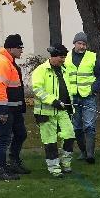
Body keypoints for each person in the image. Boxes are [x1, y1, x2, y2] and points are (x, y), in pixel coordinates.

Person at [0, 33, 29, 181]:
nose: (22, 50)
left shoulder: (9, 62)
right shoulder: (3, 62)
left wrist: (20, 106)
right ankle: (2, 170)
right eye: (19, 47)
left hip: (12, 108)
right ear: (11, 48)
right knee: (4, 139)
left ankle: (13, 162)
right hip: (5, 109)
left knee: (21, 134)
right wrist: (2, 110)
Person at [30, 45, 76, 178]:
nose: (63, 60)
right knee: (50, 141)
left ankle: (66, 164)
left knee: (69, 136)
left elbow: (68, 89)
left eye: (64, 57)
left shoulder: (64, 70)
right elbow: (37, 89)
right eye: (61, 57)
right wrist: (53, 100)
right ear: (53, 56)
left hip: (63, 110)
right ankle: (54, 169)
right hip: (45, 112)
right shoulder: (41, 70)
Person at [64, 31, 100, 164]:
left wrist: (93, 90)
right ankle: (83, 152)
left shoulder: (93, 57)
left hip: (88, 96)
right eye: (79, 43)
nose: (82, 46)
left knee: (89, 125)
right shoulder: (66, 57)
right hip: (72, 97)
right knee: (76, 126)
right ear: (74, 43)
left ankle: (90, 154)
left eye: (84, 44)